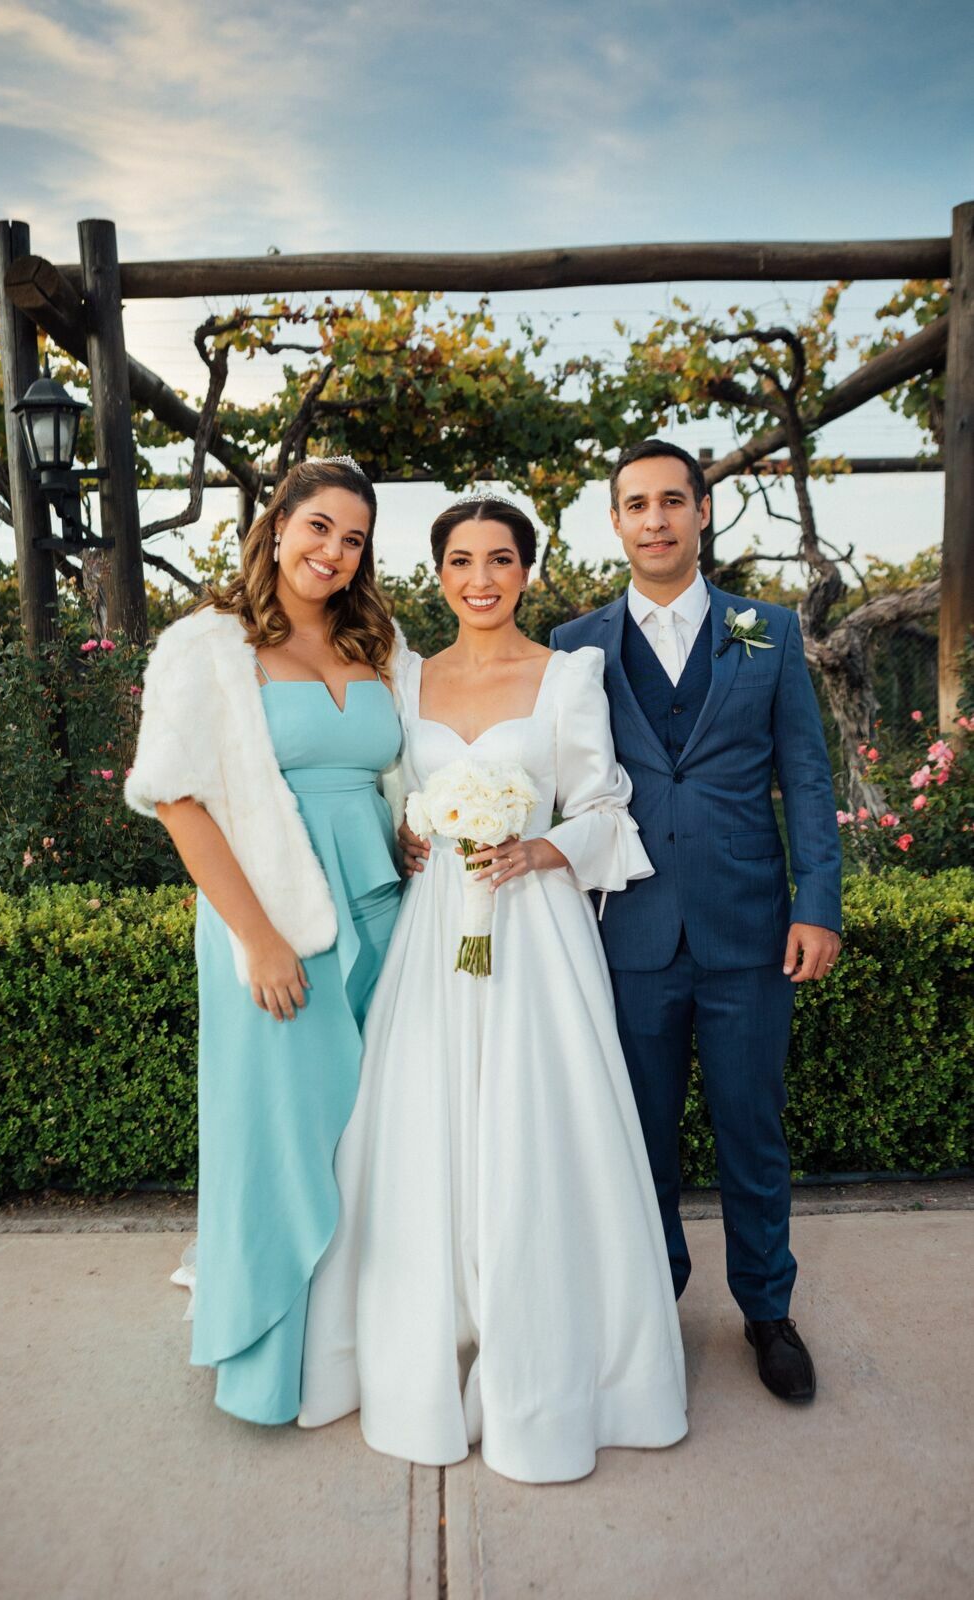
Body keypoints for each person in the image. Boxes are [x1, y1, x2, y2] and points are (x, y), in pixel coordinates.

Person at [299, 495, 687, 1484]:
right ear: (438, 575)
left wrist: (540, 848)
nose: (481, 579)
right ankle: (426, 1340)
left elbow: (603, 804)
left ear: (526, 570)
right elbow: (392, 794)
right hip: (436, 930)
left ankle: (548, 1368)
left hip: (534, 928)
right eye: (462, 561)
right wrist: (408, 831)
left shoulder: (568, 675)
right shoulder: (404, 675)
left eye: (500, 560)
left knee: (534, 1125)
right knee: (421, 1124)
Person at [551, 438, 842, 1403]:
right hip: (627, 931)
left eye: (672, 501)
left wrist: (817, 903)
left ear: (701, 511)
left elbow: (805, 776)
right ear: (615, 521)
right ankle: (651, 1303)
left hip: (748, 928)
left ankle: (767, 1310)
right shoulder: (573, 644)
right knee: (638, 1137)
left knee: (751, 1129)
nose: (656, 520)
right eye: (636, 504)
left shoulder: (769, 631)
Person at [125, 456, 404, 1425]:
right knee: (276, 1136)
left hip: (384, 911)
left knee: (368, 1135)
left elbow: (395, 776)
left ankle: (354, 1354)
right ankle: (265, 1362)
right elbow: (176, 798)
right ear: (277, 524)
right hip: (274, 919)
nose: (334, 551)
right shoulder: (206, 645)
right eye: (319, 526)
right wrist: (258, 937)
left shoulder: (378, 641)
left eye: (354, 538)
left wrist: (414, 833)